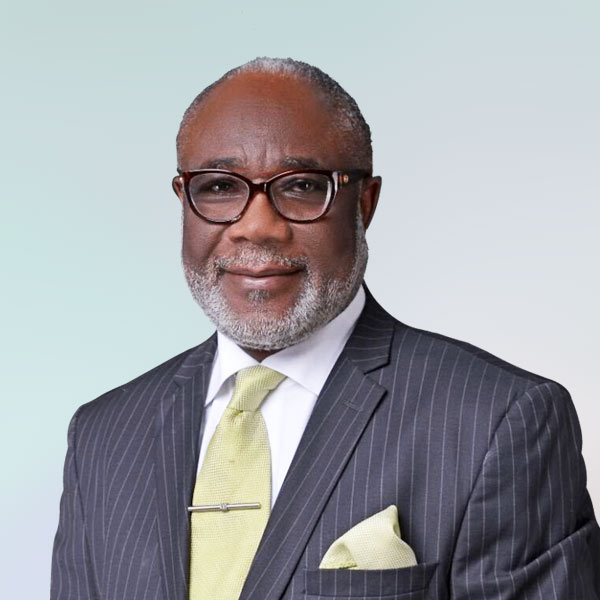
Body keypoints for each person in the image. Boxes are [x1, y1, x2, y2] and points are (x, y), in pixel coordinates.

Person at [51, 57, 600, 600]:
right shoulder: (103, 436)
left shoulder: (498, 421)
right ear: (183, 200)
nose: (256, 227)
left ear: (365, 203)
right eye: (219, 187)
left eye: (302, 186)